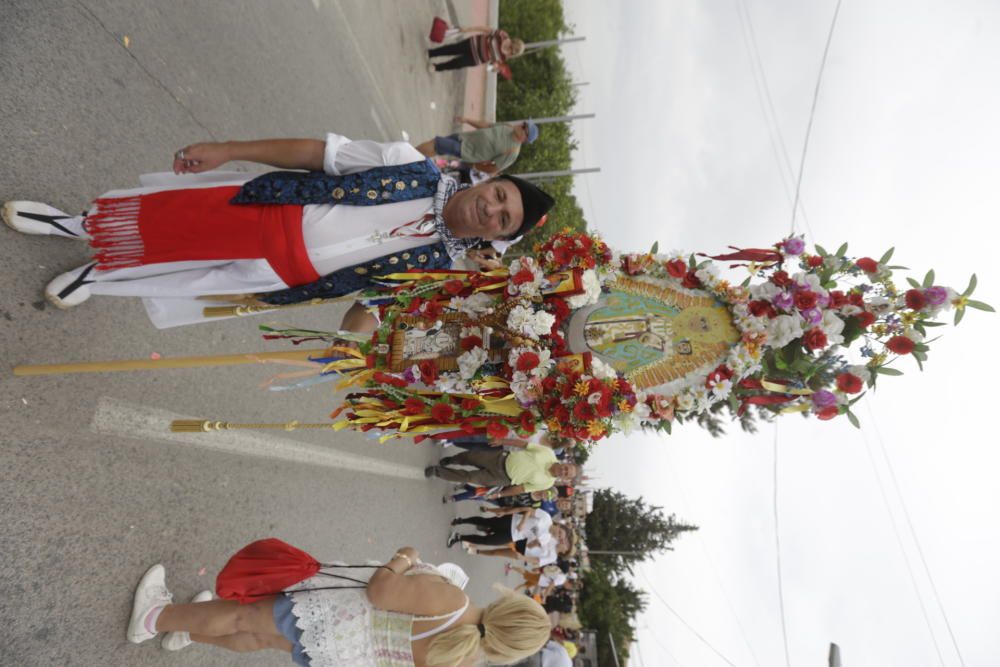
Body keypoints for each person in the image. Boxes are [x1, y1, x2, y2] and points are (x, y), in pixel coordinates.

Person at [3, 133, 553, 329]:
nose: (491, 210)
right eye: (499, 197)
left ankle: (97, 276)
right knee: (163, 222)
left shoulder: (436, 271)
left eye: (502, 219)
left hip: (279, 278)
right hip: (269, 213)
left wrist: (347, 349)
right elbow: (318, 153)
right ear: (492, 181)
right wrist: (230, 150)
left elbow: (370, 307)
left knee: (179, 277)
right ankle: (69, 223)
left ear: (497, 235)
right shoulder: (408, 162)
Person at [125, 546, 550, 666]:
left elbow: (380, 592)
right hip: (337, 652)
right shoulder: (462, 658)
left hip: (332, 617)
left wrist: (403, 559)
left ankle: (154, 617)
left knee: (244, 616)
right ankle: (188, 631)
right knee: (255, 638)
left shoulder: (454, 603)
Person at [425, 441, 577, 498]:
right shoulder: (548, 453)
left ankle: (437, 472)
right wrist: (503, 441)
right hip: (500, 457)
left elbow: (521, 489)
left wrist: (500, 494)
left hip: (502, 478)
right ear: (565, 463)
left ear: (564, 479)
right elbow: (524, 445)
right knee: (469, 457)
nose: (563, 472)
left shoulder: (547, 484)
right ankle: (451, 460)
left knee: (469, 478)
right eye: (566, 469)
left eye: (566, 474)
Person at [447, 508, 574, 567]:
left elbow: (530, 547)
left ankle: (459, 537)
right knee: (486, 522)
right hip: (512, 521)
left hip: (514, 536)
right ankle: (461, 520)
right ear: (559, 526)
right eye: (560, 533)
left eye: (559, 538)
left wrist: (532, 547)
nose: (558, 536)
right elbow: (529, 511)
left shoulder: (547, 539)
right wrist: (523, 522)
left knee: (488, 541)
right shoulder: (546, 518)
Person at [416, 117, 539, 175]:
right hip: (463, 137)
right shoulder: (508, 127)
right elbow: (486, 126)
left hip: (466, 151)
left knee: (437, 143)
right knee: (437, 147)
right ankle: (414, 161)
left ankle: (410, 153)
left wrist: (475, 165)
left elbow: (494, 169)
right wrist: (467, 120)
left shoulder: (512, 152)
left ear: (525, 138)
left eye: (524, 127)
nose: (521, 125)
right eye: (523, 123)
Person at [427, 27, 525, 72]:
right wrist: (467, 30)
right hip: (472, 43)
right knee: (452, 49)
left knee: (457, 64)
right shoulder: (503, 35)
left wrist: (494, 69)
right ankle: (431, 53)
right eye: (512, 48)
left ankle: (437, 67)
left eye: (513, 52)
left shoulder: (505, 57)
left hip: (476, 59)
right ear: (513, 42)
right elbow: (484, 29)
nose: (510, 51)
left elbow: (492, 65)